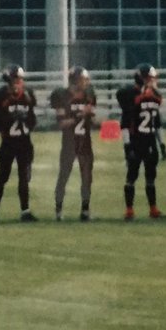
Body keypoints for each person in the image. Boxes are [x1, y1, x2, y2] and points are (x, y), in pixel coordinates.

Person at [115, 63, 166, 220]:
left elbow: (156, 121)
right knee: (132, 175)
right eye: (150, 78)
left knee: (151, 176)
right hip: (136, 140)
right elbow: (125, 121)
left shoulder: (152, 96)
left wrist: (162, 144)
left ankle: (153, 209)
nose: (153, 81)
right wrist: (127, 145)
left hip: (150, 140)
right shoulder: (129, 94)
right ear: (142, 78)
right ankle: (129, 210)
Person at [0, 65, 38, 222]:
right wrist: (11, 117)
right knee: (3, 176)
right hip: (8, 142)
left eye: (20, 79)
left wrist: (25, 118)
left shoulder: (27, 95)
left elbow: (33, 121)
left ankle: (25, 210)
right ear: (8, 81)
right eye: (15, 79)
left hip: (24, 142)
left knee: (24, 177)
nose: (18, 82)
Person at [50, 65, 97, 221]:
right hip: (69, 142)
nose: (86, 83)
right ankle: (58, 210)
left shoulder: (89, 95)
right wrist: (80, 115)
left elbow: (92, 119)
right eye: (83, 80)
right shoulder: (62, 96)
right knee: (64, 176)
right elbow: (62, 124)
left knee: (87, 177)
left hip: (85, 142)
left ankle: (85, 210)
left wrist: (101, 123)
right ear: (75, 81)